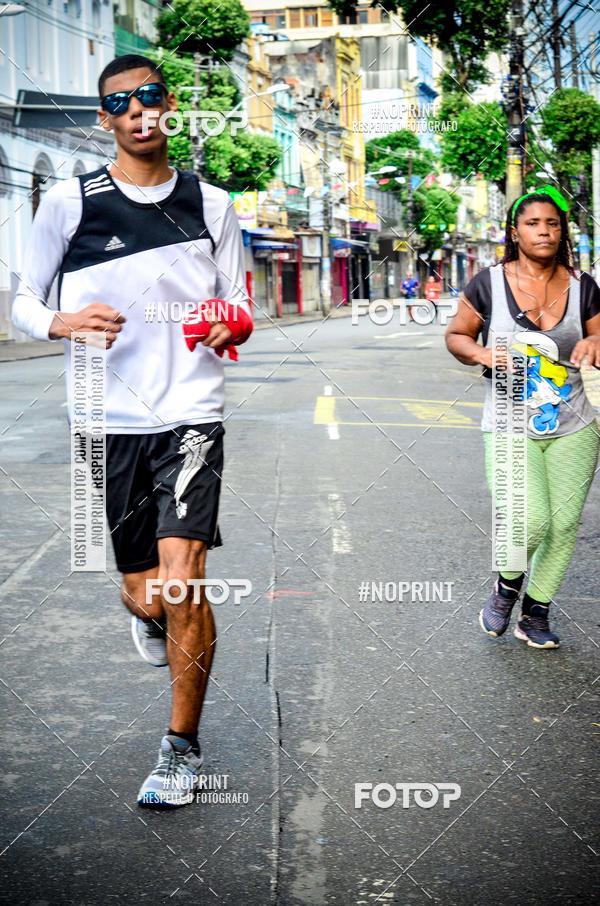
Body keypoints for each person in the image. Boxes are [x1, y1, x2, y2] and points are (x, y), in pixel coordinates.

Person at [12, 54, 253, 805]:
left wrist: (228, 324)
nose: (138, 111)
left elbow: (241, 304)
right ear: (104, 118)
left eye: (150, 96)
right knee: (144, 594)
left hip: (189, 417)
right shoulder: (68, 203)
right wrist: (60, 321)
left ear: (168, 104)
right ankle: (146, 616)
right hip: (103, 422)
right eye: (122, 103)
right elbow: (19, 297)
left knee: (182, 584)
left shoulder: (211, 204)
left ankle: (181, 750)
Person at [445, 186, 600, 650]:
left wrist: (595, 346)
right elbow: (456, 335)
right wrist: (481, 353)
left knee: (565, 523)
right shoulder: (486, 284)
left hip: (575, 423)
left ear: (563, 231)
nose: (544, 231)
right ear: (515, 232)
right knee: (528, 521)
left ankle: (535, 611)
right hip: (510, 425)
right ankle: (507, 585)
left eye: (553, 223)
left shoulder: (584, 287)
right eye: (533, 223)